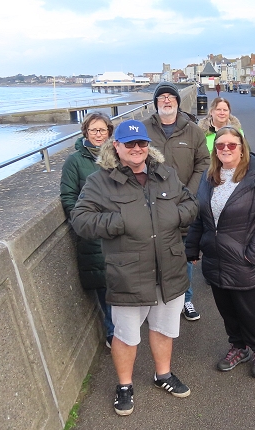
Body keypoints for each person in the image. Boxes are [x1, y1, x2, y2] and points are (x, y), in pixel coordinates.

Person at [70, 120, 198, 416]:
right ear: (116, 146)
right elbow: (81, 219)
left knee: (164, 329)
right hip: (128, 273)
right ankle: (125, 385)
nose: (137, 149)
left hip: (169, 269)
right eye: (130, 144)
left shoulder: (166, 174)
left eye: (141, 143)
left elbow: (191, 204)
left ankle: (162, 374)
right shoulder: (100, 182)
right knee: (126, 335)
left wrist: (175, 216)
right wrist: (117, 223)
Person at [185, 126, 255, 378]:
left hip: (245, 259)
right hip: (216, 259)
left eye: (231, 145)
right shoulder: (209, 178)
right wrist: (192, 247)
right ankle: (239, 346)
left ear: (242, 148)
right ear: (214, 150)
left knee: (249, 311)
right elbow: (199, 217)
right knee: (227, 309)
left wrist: (253, 254)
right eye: (220, 145)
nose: (225, 149)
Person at [143, 82, 210, 321]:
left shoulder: (193, 131)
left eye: (171, 97)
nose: (167, 100)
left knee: (183, 255)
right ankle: (155, 300)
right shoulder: (143, 130)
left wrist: (189, 194)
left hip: (183, 204)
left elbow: (203, 163)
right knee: (151, 254)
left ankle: (186, 300)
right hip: (150, 206)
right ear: (156, 103)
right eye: (162, 98)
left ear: (178, 103)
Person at [59, 112, 114, 348]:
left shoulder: (119, 155)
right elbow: (68, 197)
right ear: (85, 133)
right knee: (103, 284)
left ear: (110, 132)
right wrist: (84, 222)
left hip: (119, 228)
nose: (98, 135)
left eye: (102, 130)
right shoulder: (75, 161)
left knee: (122, 280)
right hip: (93, 232)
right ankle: (113, 333)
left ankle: (123, 329)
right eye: (94, 130)